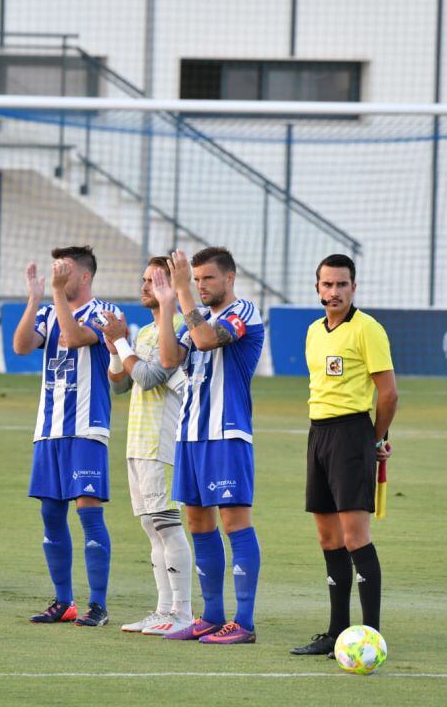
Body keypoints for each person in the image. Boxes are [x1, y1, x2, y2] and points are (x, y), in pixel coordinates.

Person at [152, 247, 264, 644]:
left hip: (226, 433)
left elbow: (204, 339)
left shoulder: (244, 312)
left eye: (207, 279)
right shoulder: (191, 316)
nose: (200, 286)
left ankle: (244, 623)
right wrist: (167, 306)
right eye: (196, 279)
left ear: (229, 278)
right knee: (199, 524)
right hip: (190, 435)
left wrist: (181, 291)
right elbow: (168, 358)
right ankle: (212, 615)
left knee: (234, 523)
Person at [290, 254, 397, 657]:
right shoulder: (314, 332)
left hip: (353, 434)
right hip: (318, 433)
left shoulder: (368, 329)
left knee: (355, 538)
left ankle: (371, 635)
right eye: (327, 285)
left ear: (354, 287)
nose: (334, 292)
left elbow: (387, 393)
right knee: (328, 537)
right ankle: (336, 631)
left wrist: (376, 437)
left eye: (342, 285)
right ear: (317, 287)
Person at [12, 246, 120, 627]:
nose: (58, 274)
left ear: (85, 276)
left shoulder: (106, 314)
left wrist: (56, 294)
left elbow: (74, 338)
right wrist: (35, 298)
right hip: (49, 429)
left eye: (65, 270)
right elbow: (22, 346)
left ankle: (99, 605)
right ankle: (63, 601)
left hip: (86, 428)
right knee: (50, 514)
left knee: (88, 513)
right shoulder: (47, 311)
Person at [102, 257, 194, 636]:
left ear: (171, 287)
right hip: (138, 442)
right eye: (144, 280)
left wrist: (122, 341)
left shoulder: (178, 328)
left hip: (162, 441)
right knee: (151, 528)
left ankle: (184, 612)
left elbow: (152, 375)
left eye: (153, 281)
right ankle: (162, 610)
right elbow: (122, 384)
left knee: (167, 526)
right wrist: (114, 347)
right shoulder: (144, 333)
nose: (144, 287)